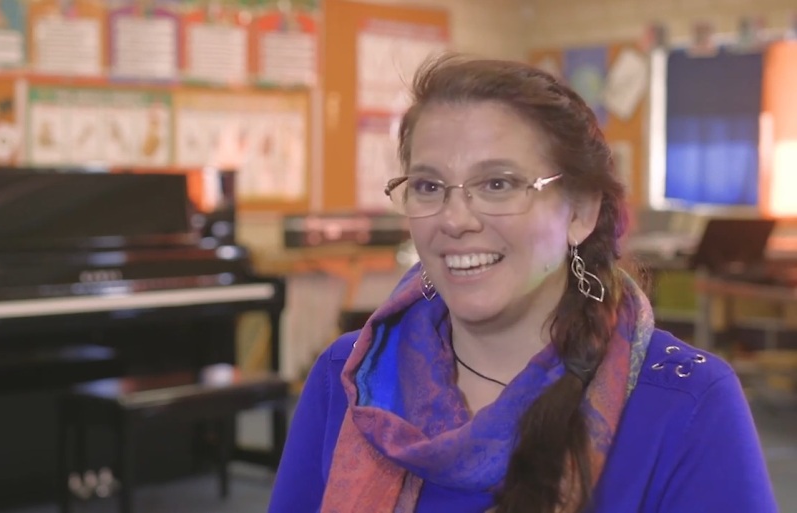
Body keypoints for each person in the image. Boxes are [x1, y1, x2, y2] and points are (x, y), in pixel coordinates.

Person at [268, 54, 777, 513]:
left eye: (498, 184)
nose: (455, 219)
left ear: (580, 211)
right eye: (428, 186)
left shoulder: (686, 401)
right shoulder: (350, 376)